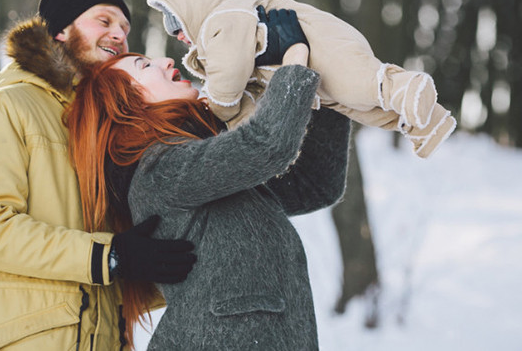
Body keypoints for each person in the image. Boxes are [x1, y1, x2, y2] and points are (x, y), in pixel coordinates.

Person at [0, 0, 196, 351]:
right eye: (105, 21)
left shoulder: (99, 134)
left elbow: (116, 266)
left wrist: (160, 265)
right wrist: (111, 255)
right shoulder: (4, 110)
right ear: (60, 30)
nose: (118, 36)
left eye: (125, 30)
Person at [65, 39, 352, 349]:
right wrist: (294, 69)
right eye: (145, 66)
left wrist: (330, 102)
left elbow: (314, 185)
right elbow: (266, 145)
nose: (166, 61)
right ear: (128, 103)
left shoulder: (196, 167)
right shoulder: (158, 172)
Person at [147, 0, 456, 158]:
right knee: (358, 106)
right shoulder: (222, 25)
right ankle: (426, 124)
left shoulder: (223, 18)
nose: (179, 36)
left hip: (323, 48)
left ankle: (407, 87)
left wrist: (217, 106)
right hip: (315, 76)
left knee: (361, 86)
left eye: (178, 25)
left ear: (193, 7)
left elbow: (228, 75)